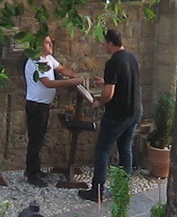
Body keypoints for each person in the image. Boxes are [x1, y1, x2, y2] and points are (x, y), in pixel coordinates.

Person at [85, 29, 140, 202]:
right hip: (135, 111)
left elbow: (108, 94)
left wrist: (98, 103)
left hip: (118, 114)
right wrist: (106, 81)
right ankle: (122, 188)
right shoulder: (132, 58)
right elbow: (125, 80)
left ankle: (97, 191)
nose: (102, 46)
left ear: (110, 43)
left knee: (103, 149)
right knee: (125, 148)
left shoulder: (113, 62)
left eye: (104, 43)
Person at [23, 35, 84, 185]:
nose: (51, 45)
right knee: (35, 140)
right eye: (47, 43)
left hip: (43, 105)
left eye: (51, 42)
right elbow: (48, 83)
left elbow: (61, 68)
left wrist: (75, 75)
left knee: (40, 138)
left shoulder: (48, 59)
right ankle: (32, 174)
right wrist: (70, 82)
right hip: (36, 105)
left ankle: (35, 169)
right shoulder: (35, 61)